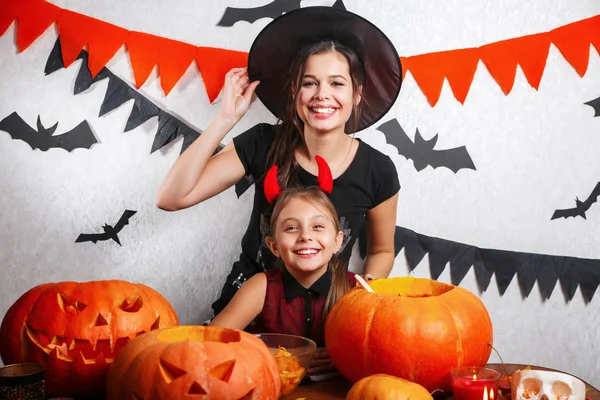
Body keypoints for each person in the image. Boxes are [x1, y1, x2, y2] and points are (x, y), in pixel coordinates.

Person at [156, 7, 403, 315]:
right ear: (294, 91)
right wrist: (225, 119)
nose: (322, 94)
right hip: (248, 311)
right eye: (310, 83)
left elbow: (382, 250)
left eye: (337, 83)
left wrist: (362, 296)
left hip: (327, 317)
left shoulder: (377, 169)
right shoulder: (263, 143)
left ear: (356, 94)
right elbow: (171, 198)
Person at [210, 161, 356, 374]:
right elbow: (212, 341)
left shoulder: (355, 290)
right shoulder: (262, 287)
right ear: (274, 246)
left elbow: (377, 350)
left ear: (337, 241)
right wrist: (278, 355)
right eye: (291, 228)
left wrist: (342, 358)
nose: (306, 236)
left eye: (318, 226)